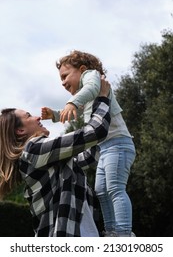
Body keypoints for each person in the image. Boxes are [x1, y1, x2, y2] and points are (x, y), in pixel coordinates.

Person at [0, 77, 111, 237]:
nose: (37, 117)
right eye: (29, 115)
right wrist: (102, 97)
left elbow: (89, 156)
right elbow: (96, 132)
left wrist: (89, 107)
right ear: (20, 131)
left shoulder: (53, 160)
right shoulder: (33, 150)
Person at [42, 50, 136, 237]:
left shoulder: (92, 78)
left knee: (115, 188)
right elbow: (71, 112)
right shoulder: (86, 96)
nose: (62, 83)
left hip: (118, 144)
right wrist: (54, 114)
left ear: (82, 69)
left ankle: (124, 233)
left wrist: (72, 103)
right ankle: (111, 232)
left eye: (65, 76)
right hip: (105, 148)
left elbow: (90, 89)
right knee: (101, 191)